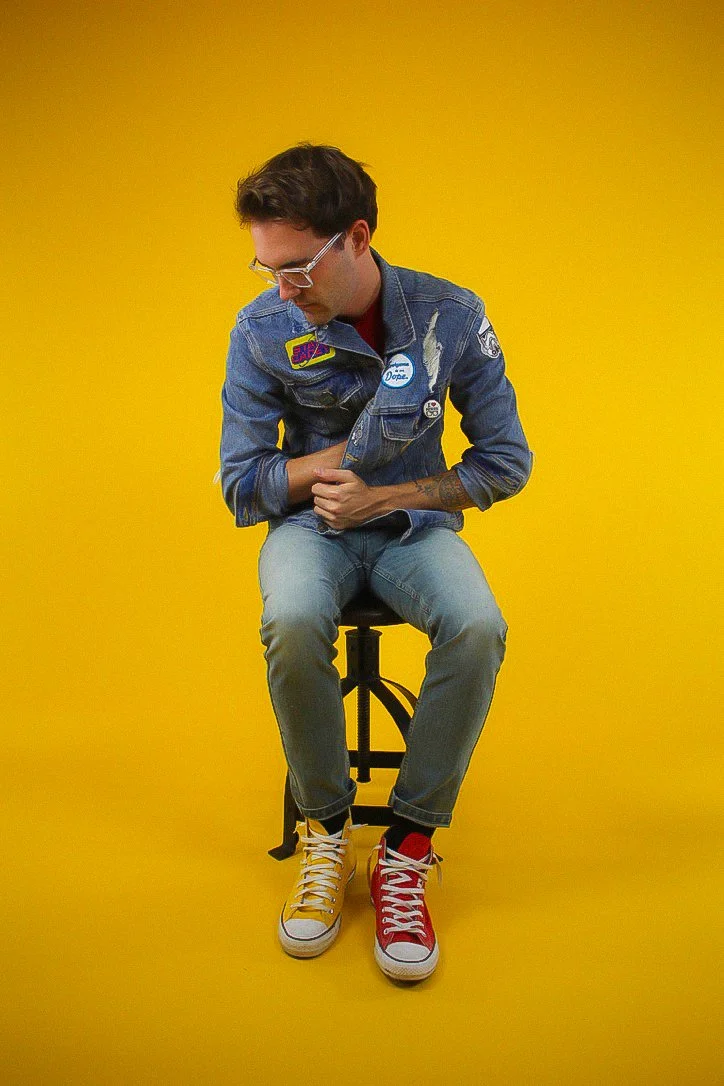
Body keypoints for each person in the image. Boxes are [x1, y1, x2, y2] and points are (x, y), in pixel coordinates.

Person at [219, 143, 533, 982]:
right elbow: (242, 483)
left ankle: (407, 847)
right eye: (267, 268)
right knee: (291, 619)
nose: (282, 289)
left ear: (356, 238)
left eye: (296, 268)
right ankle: (325, 834)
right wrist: (333, 471)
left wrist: (385, 497)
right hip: (307, 531)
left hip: (413, 530)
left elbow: (505, 462)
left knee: (478, 627)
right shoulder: (259, 329)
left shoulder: (450, 315)